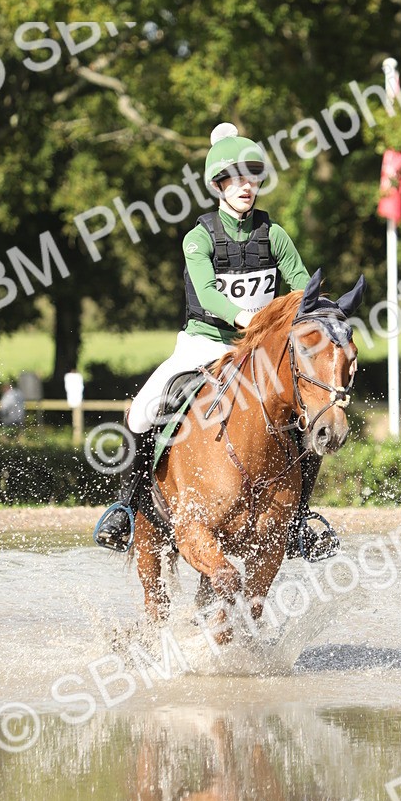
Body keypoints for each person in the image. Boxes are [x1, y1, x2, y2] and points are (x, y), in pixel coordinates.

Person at [94, 123, 337, 560]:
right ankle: (128, 510)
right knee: (145, 410)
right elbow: (206, 294)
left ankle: (298, 520)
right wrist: (247, 317)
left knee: (306, 420)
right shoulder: (199, 238)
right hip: (204, 344)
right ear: (219, 184)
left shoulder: (275, 235)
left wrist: (320, 311)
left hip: (258, 352)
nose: (246, 186)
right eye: (236, 178)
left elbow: (302, 286)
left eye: (253, 177)